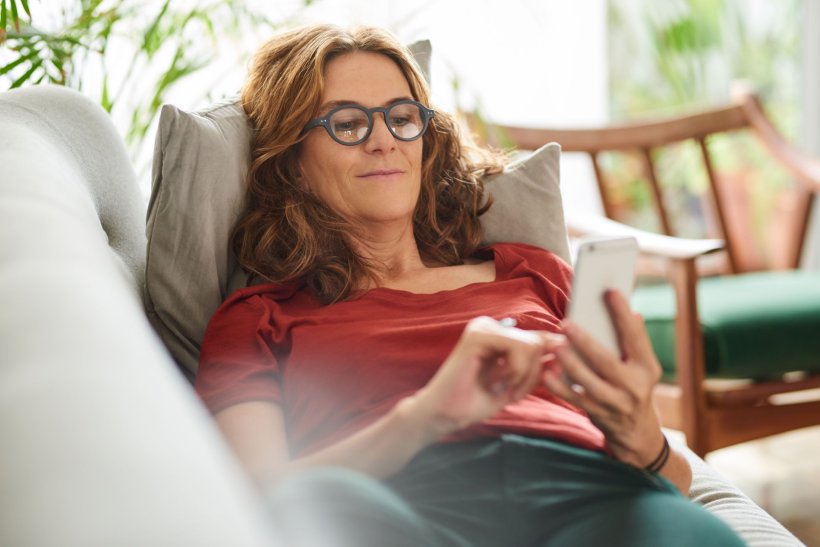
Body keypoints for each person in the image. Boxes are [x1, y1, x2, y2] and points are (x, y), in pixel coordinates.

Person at [195, 24, 745, 547]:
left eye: (401, 117)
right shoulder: (259, 319)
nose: (384, 141)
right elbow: (257, 494)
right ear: (293, 159)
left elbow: (674, 480)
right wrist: (426, 415)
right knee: (320, 500)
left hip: (583, 487)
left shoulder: (533, 273)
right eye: (347, 123)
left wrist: (641, 433)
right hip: (400, 501)